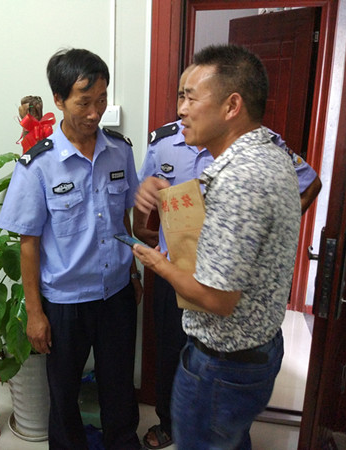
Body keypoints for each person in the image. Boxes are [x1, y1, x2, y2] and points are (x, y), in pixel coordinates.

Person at [134, 64, 321, 449]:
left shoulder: (239, 176)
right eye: (180, 96)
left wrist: (157, 264)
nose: (181, 109)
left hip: (222, 355)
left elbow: (217, 300)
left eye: (191, 97)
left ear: (231, 105)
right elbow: (155, 200)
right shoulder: (263, 153)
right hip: (246, 340)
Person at [0, 48, 143, 449]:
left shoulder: (120, 150)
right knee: (63, 395)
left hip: (116, 294)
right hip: (65, 303)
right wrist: (35, 314)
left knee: (119, 387)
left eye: (102, 99)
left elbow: (123, 217)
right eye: (84, 101)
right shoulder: (38, 165)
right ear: (59, 100)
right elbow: (29, 243)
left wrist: (132, 272)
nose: (95, 112)